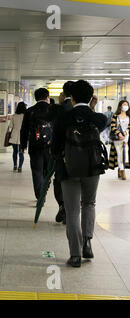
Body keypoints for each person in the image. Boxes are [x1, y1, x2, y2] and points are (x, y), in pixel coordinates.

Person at [51, 80, 108, 268]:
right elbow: (101, 123)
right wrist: (91, 108)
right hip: (92, 168)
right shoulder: (97, 118)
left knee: (73, 210)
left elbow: (55, 148)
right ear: (92, 98)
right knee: (89, 203)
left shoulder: (63, 118)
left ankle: (75, 255)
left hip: (69, 169)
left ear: (72, 98)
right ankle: (88, 244)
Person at [20, 88, 54, 200]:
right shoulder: (52, 109)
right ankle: (45, 186)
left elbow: (24, 129)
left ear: (36, 98)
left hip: (34, 146)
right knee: (47, 171)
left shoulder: (30, 111)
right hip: (50, 147)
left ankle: (40, 195)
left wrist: (23, 145)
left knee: (36, 171)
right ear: (47, 97)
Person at [52, 81, 74, 225]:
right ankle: (71, 208)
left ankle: (63, 205)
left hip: (62, 153)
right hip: (81, 155)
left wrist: (54, 153)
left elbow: (56, 133)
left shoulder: (60, 109)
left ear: (64, 93)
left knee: (59, 181)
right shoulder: (84, 111)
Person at [108, 100, 130, 180]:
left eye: (127, 105)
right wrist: (119, 133)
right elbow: (113, 126)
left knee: (124, 153)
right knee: (120, 153)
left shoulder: (129, 116)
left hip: (126, 138)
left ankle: (120, 169)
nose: (126, 106)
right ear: (120, 106)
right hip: (117, 138)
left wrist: (124, 133)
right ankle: (122, 171)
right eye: (124, 104)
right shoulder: (115, 115)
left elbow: (129, 127)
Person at [9, 102, 27, 172]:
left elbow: (10, 126)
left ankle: (15, 166)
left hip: (14, 136)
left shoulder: (14, 116)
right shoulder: (25, 116)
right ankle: (20, 167)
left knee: (14, 152)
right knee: (21, 152)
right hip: (22, 137)